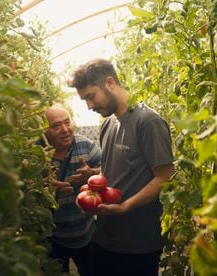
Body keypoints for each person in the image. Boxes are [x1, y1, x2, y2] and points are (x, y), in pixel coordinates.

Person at [68, 59, 175, 276]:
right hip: (104, 236)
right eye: (85, 100)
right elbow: (111, 171)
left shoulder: (148, 121)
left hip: (137, 244)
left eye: (91, 96)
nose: (89, 106)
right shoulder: (108, 123)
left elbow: (165, 176)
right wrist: (92, 185)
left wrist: (125, 206)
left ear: (110, 83)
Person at [38, 105, 101, 275]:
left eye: (67, 122)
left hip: (86, 234)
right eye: (56, 126)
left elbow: (106, 169)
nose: (65, 130)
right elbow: (23, 194)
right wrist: (48, 191)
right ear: (44, 130)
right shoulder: (36, 154)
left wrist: (91, 173)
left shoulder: (85, 145)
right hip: (52, 240)